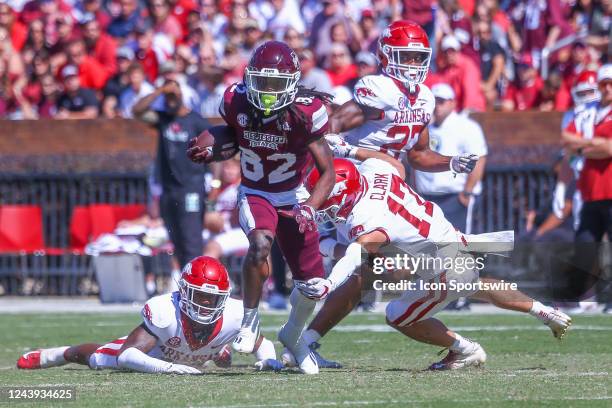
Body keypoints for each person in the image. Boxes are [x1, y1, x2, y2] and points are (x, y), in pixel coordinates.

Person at [291, 158, 572, 374]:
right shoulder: (374, 170)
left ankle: (465, 349)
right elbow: (396, 164)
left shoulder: (365, 218)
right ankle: (546, 311)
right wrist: (348, 151)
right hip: (451, 243)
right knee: (475, 286)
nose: (321, 205)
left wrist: (328, 281)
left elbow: (355, 255)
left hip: (441, 262)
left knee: (396, 314)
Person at [187, 41, 336, 364]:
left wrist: (310, 207)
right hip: (256, 192)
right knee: (259, 245)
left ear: (293, 84)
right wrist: (210, 148)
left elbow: (328, 173)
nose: (267, 92)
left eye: (276, 84)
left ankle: (294, 337)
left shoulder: (305, 112)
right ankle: (250, 320)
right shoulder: (236, 99)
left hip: (295, 195)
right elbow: (227, 134)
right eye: (262, 82)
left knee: (312, 286)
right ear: (249, 77)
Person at [17, 256, 282, 373]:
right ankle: (54, 354)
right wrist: (169, 368)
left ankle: (218, 350)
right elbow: (128, 355)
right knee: (99, 359)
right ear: (184, 292)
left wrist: (268, 360)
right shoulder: (165, 310)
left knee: (223, 357)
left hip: (197, 356)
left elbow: (264, 344)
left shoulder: (235, 313)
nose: (205, 303)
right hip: (157, 353)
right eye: (200, 295)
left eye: (213, 298)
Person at [327, 21, 479, 175]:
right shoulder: (380, 88)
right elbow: (332, 125)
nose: (414, 63)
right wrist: (341, 154)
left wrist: (451, 162)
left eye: (419, 57)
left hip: (389, 176)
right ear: (384, 55)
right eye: (406, 56)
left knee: (423, 198)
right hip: (359, 172)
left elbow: (419, 155)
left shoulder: (425, 98)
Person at [132, 79, 210, 270]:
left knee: (191, 239)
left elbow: (214, 148)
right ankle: (187, 282)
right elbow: (137, 111)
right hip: (169, 189)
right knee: (176, 241)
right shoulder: (163, 119)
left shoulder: (196, 121)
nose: (171, 100)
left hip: (192, 188)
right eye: (168, 97)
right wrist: (159, 91)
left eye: (174, 95)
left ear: (182, 95)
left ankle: (198, 281)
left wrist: (213, 183)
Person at [561, 64, 612, 313]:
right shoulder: (588, 111)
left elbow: (610, 149)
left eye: (611, 83)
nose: (607, 88)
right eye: (604, 84)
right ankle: (580, 295)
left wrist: (585, 145)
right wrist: (594, 144)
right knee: (584, 246)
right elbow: (567, 139)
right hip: (590, 189)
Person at [414, 83, 488, 235]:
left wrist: (466, 192)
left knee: (458, 245)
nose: (437, 106)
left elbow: (478, 160)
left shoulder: (467, 127)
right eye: (434, 102)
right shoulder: (425, 126)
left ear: (452, 103)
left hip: (455, 196)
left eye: (442, 101)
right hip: (428, 197)